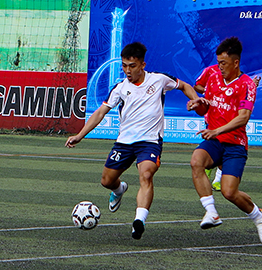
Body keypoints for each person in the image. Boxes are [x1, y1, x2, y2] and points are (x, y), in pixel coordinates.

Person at [66, 42, 200, 239]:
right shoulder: (120, 88)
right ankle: (119, 189)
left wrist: (195, 98)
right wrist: (80, 135)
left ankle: (139, 220)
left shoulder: (159, 80)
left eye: (132, 66)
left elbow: (185, 86)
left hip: (150, 142)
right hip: (124, 142)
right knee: (106, 181)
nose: (127, 70)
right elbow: (100, 112)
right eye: (124, 66)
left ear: (142, 65)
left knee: (146, 174)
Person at [187, 37, 262, 244]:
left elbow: (243, 117)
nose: (220, 67)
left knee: (229, 192)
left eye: (223, 63)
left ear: (236, 63)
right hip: (214, 140)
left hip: (235, 143)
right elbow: (206, 108)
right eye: (218, 63)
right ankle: (211, 212)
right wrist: (198, 104)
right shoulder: (214, 78)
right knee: (196, 161)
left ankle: (259, 216)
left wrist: (216, 131)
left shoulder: (247, 85)